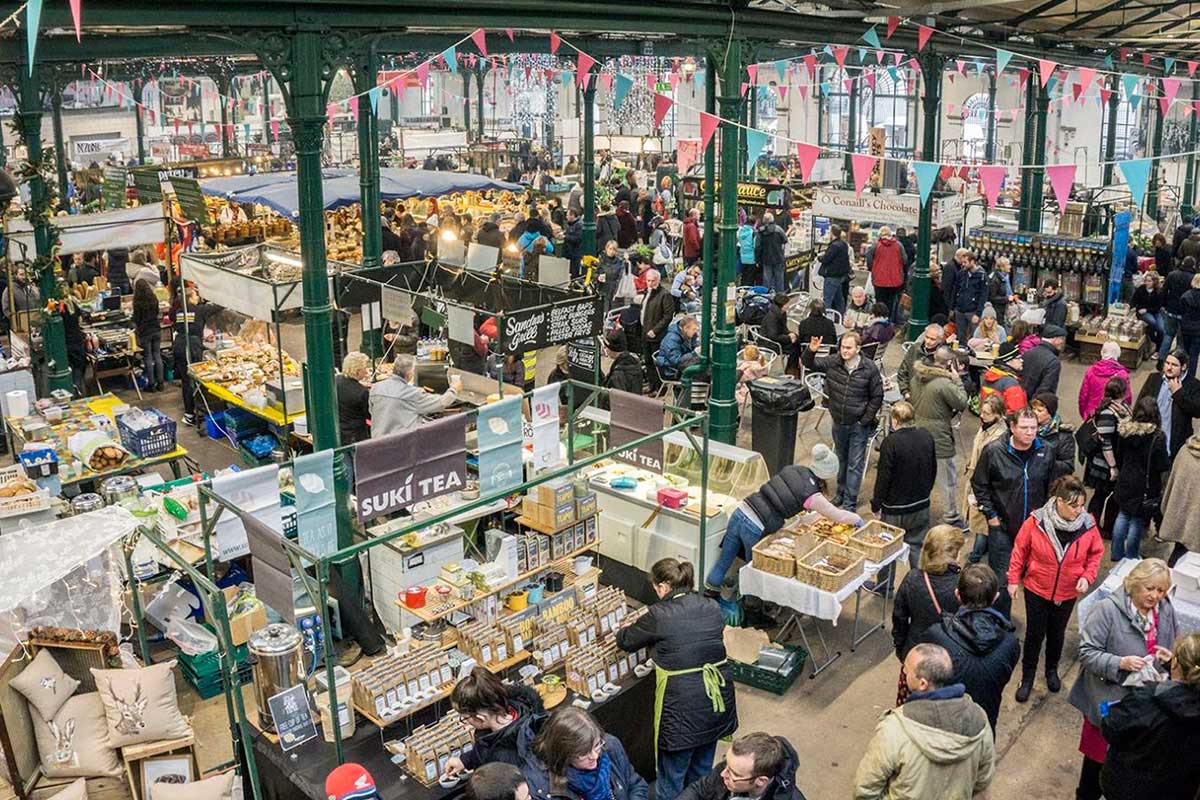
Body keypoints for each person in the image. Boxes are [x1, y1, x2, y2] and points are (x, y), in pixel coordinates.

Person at [615, 559, 737, 800]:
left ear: (663, 587)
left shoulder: (660, 614)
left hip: (681, 710)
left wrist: (625, 627)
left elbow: (626, 640)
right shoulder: (711, 606)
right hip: (716, 700)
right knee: (702, 776)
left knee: (671, 780)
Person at [1069, 558, 1178, 800]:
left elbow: (1174, 641)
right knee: (1095, 768)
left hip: (1144, 706)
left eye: (1161, 590)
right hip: (1110, 703)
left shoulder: (1166, 609)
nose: (1155, 596)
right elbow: (1087, 653)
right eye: (1149, 588)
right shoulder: (1107, 610)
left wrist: (1170, 659)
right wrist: (1120, 663)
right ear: (1134, 583)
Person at [704, 445, 861, 590]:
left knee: (723, 563)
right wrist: (856, 519)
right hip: (756, 526)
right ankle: (750, 608)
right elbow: (837, 515)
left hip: (741, 512)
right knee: (756, 572)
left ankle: (710, 595)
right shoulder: (812, 495)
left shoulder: (794, 469)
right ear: (827, 474)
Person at [853, 643, 995, 800]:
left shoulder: (894, 730)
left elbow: (865, 789)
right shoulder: (979, 720)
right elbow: (982, 780)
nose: (904, 672)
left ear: (922, 684)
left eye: (907, 670)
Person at [1006, 475, 1103, 703]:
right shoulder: (1036, 522)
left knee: (1057, 633)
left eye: (1081, 505)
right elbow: (1019, 550)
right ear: (1058, 500)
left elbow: (1096, 554)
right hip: (1037, 589)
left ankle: (1051, 671)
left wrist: (1088, 577)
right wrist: (1013, 579)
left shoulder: (1088, 525)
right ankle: (1027, 677)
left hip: (1068, 591)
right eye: (1073, 505)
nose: (1079, 511)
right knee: (1034, 634)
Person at [971, 406, 1057, 617]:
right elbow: (979, 484)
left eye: (1034, 428)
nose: (1030, 433)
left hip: (1036, 529)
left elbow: (1051, 486)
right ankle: (1000, 621)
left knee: (1035, 577)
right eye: (1024, 428)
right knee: (1001, 580)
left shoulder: (1046, 451)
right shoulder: (994, 452)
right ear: (1012, 427)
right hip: (1003, 529)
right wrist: (991, 515)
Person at [1100, 631, 1200, 800]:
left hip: (1127, 788)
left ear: (1177, 663)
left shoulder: (1147, 699)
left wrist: (1105, 709)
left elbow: (1111, 727)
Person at [919, 564, 1019, 732]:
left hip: (942, 725)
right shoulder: (1010, 643)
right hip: (983, 725)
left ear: (957, 594)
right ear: (996, 597)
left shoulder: (936, 635)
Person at [801, 331, 885, 510]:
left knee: (855, 463)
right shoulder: (834, 362)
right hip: (839, 420)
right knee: (841, 460)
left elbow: (877, 396)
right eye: (842, 347)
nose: (844, 351)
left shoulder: (869, 368)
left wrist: (865, 419)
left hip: (858, 424)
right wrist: (811, 350)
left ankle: (850, 502)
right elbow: (810, 364)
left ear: (857, 349)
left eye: (848, 348)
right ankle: (840, 494)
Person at [891, 526, 965, 703]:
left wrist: (902, 649)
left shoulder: (913, 578)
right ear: (953, 554)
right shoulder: (962, 583)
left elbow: (899, 617)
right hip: (949, 657)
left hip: (916, 652)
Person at [870, 402, 938, 578]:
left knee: (888, 549)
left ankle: (884, 587)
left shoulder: (890, 443)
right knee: (918, 548)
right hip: (921, 505)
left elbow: (883, 478)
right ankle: (920, 585)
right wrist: (925, 493)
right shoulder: (926, 436)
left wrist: (876, 504)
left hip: (895, 509)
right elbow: (933, 469)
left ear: (895, 421)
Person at [522, 707, 648, 800]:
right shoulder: (540, 785)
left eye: (597, 746)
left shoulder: (609, 745)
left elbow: (635, 784)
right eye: (583, 753)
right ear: (563, 754)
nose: (595, 756)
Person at [442, 667, 545, 777]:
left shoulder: (506, 759)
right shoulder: (521, 708)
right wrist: (465, 760)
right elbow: (487, 747)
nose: (465, 722)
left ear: (481, 718)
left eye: (465, 718)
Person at [911, 347, 969, 526]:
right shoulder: (944, 384)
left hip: (919, 433)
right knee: (947, 480)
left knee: (921, 477)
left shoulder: (917, 376)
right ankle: (951, 516)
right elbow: (961, 402)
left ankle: (919, 513)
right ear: (950, 364)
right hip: (939, 437)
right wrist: (957, 380)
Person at [1111, 397, 1170, 561]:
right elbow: (1162, 464)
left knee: (1122, 515)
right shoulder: (1157, 437)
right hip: (1145, 486)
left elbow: (1119, 453)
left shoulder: (1125, 431)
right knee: (1137, 522)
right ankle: (1131, 555)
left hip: (1125, 480)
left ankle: (1116, 553)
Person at [675, 732, 806, 800]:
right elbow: (699, 790)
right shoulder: (730, 769)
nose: (723, 774)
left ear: (760, 781)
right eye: (726, 764)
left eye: (735, 774)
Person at [368, 353, 461, 437]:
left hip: (378, 441)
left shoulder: (376, 388)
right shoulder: (414, 394)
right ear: (409, 374)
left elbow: (372, 411)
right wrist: (454, 389)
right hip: (401, 443)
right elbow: (442, 402)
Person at [963, 395, 1009, 563]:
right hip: (974, 476)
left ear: (998, 415)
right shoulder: (985, 427)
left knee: (981, 525)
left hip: (984, 484)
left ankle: (975, 556)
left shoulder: (999, 435)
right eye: (982, 411)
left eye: (987, 413)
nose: (982, 415)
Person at [1083, 376, 1130, 536]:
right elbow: (1106, 443)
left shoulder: (1121, 408)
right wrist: (1113, 467)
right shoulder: (1108, 414)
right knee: (1100, 495)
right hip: (1103, 465)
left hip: (1112, 461)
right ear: (1124, 392)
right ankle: (1092, 527)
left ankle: (1105, 526)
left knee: (1107, 496)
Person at [1136, 349, 1200, 460]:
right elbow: (1139, 405)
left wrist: (1178, 394)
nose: (1169, 368)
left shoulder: (1193, 385)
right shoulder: (1154, 379)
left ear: (1183, 367)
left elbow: (1197, 411)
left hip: (1173, 444)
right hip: (1149, 439)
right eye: (1167, 363)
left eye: (1174, 365)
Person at [1078, 340, 1132, 421]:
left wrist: (1084, 414)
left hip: (1092, 413)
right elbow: (1127, 398)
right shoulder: (1123, 374)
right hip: (1113, 415)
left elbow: (1083, 396)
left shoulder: (1091, 371)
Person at [640, 269, 675, 390]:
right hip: (645, 332)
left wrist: (655, 330)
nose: (650, 283)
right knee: (648, 360)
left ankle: (659, 387)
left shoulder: (665, 295)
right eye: (648, 280)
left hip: (657, 335)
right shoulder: (647, 292)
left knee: (657, 362)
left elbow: (668, 316)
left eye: (652, 281)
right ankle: (652, 385)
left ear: (658, 280)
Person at [1031, 393, 1076, 479]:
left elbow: (1068, 466)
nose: (1034, 413)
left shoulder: (1064, 436)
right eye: (1033, 409)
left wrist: (1044, 460)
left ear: (1050, 413)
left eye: (1039, 411)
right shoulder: (1029, 429)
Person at [865, 226, 907, 319]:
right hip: (895, 280)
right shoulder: (899, 245)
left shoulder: (875, 245)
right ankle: (889, 321)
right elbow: (905, 260)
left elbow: (869, 260)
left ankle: (879, 320)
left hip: (879, 279)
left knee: (880, 302)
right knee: (891, 302)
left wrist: (874, 269)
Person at [131, 279, 164, 392]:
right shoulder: (153, 298)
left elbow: (136, 318)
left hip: (145, 331)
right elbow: (157, 312)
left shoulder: (137, 302)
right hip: (156, 328)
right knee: (157, 355)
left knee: (148, 357)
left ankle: (151, 384)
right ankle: (161, 383)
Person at [1162, 255, 1195, 362]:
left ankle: (1161, 359)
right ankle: (1178, 362)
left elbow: (1164, 291)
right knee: (1181, 341)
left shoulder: (1172, 275)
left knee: (1168, 336)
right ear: (1193, 265)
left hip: (1170, 310)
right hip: (1184, 314)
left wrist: (1164, 305)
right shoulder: (1193, 278)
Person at [897, 323, 944, 399]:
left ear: (939, 340)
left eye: (932, 339)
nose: (928, 341)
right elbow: (902, 371)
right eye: (927, 337)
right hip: (910, 393)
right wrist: (905, 391)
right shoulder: (914, 348)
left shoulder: (943, 355)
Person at [979, 341, 1026, 413]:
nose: (1022, 360)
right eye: (1018, 358)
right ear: (1008, 361)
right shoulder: (1011, 383)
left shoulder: (989, 375)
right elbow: (1017, 412)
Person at [336, 352, 372, 445]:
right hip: (355, 436)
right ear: (358, 371)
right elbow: (370, 415)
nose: (367, 371)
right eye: (365, 368)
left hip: (339, 430)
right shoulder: (361, 392)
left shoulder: (336, 380)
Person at [1020, 323, 1065, 398]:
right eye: (1061, 339)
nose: (1062, 342)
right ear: (1055, 339)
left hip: (1022, 398)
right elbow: (1047, 388)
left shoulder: (1028, 353)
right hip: (1037, 403)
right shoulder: (1053, 362)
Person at [951, 253, 987, 341]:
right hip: (960, 309)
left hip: (972, 311)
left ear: (972, 261)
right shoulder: (961, 273)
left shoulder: (981, 275)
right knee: (960, 336)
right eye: (962, 262)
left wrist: (978, 313)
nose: (963, 264)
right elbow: (955, 290)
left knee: (974, 336)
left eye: (965, 262)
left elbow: (983, 296)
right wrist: (952, 308)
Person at [654, 316, 700, 381]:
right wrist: (694, 353)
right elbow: (676, 361)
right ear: (685, 328)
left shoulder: (688, 334)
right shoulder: (672, 339)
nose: (695, 332)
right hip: (671, 370)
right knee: (704, 374)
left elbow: (694, 345)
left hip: (682, 364)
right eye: (694, 329)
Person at [817, 226, 851, 314]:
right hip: (840, 276)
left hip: (831, 275)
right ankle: (841, 317)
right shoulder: (844, 244)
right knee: (839, 299)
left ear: (832, 233)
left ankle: (826, 318)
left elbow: (826, 259)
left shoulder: (834, 245)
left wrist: (820, 257)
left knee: (827, 299)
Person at [602, 332, 643, 401]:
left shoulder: (618, 375)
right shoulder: (634, 361)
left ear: (613, 349)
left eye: (606, 347)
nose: (605, 349)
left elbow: (617, 400)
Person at [1132, 272, 1167, 351]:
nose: (1147, 283)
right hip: (1142, 312)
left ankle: (1158, 348)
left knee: (1161, 329)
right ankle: (1153, 339)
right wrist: (1133, 308)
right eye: (1146, 281)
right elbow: (1134, 300)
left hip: (1154, 311)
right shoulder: (1141, 289)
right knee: (1152, 322)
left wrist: (1147, 309)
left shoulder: (1158, 292)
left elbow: (1158, 307)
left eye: (1149, 281)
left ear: (1154, 282)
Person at [755, 213, 787, 294]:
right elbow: (785, 240)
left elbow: (757, 247)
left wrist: (757, 259)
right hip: (778, 257)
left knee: (767, 280)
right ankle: (780, 297)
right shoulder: (778, 229)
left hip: (766, 258)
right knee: (779, 279)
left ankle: (766, 297)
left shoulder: (761, 231)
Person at [759, 294, 797, 359]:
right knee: (794, 346)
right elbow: (773, 335)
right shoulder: (772, 317)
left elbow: (783, 328)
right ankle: (791, 365)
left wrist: (790, 334)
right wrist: (788, 338)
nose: (789, 306)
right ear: (783, 305)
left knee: (796, 339)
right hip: (769, 342)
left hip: (777, 337)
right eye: (787, 304)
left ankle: (794, 365)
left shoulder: (782, 313)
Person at [600, 239, 629, 312]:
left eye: (614, 249)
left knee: (615, 311)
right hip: (604, 288)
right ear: (606, 249)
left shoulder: (620, 261)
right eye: (610, 249)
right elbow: (595, 273)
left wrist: (626, 262)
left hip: (616, 289)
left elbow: (625, 274)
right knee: (604, 310)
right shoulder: (601, 260)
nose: (611, 251)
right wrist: (598, 277)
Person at [940, 248, 969, 317]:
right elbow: (947, 288)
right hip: (949, 305)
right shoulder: (950, 267)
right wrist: (950, 307)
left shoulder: (957, 267)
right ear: (961, 256)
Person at [987, 256, 1013, 325]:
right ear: (1002, 267)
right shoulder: (995, 279)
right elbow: (992, 297)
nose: (1010, 267)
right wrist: (1007, 298)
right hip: (996, 311)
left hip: (1003, 309)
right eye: (1008, 265)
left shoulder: (1005, 278)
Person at [737, 217, 758, 286]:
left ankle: (742, 290)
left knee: (744, 276)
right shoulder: (753, 233)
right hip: (751, 258)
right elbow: (755, 246)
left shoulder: (741, 231)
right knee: (750, 278)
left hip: (743, 257)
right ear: (753, 223)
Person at [562, 209, 583, 277]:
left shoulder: (579, 225)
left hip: (575, 253)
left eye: (567, 215)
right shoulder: (571, 224)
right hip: (570, 252)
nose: (566, 217)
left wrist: (565, 237)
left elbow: (578, 238)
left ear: (572, 215)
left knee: (574, 272)